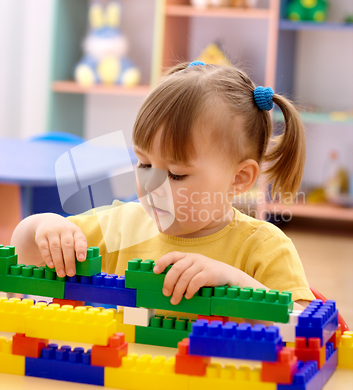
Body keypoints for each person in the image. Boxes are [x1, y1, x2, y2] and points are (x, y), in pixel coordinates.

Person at [11, 61, 314, 310]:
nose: (152, 184)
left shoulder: (262, 247)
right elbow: (23, 260)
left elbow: (308, 332)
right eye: (144, 164)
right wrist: (43, 227)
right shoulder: (119, 227)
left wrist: (237, 283)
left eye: (176, 174)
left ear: (239, 178)